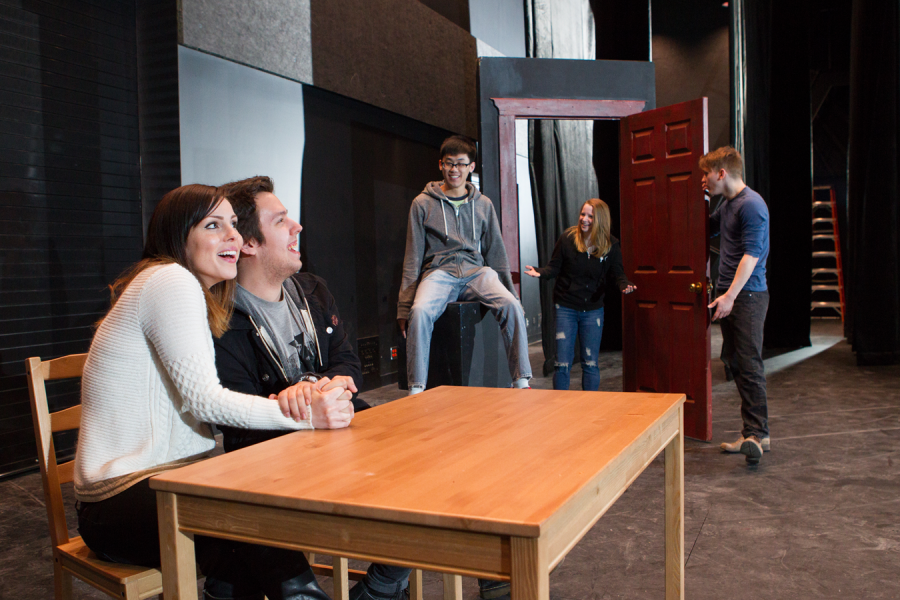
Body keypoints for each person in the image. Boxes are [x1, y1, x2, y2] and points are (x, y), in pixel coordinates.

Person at [74, 184, 353, 600]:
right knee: (255, 522)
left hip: (173, 481)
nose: (233, 238)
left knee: (255, 522)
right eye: (213, 226)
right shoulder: (170, 281)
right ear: (179, 236)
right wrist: (301, 415)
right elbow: (205, 400)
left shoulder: (191, 291)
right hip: (121, 498)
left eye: (234, 226)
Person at [213, 176, 412, 600]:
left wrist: (339, 384)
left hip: (336, 441)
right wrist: (304, 405)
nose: (297, 227)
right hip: (270, 466)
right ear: (249, 243)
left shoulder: (312, 290)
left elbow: (347, 361)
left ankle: (382, 586)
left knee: (423, 472)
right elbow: (237, 416)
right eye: (282, 220)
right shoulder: (221, 318)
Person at [397, 135, 532, 396]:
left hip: (475, 272)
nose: (454, 170)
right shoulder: (422, 204)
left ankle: (521, 381)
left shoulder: (483, 204)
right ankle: (416, 388)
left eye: (460, 164)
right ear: (440, 165)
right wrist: (404, 305)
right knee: (421, 311)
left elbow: (496, 251)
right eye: (449, 164)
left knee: (512, 307)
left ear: (471, 167)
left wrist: (511, 293)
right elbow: (412, 256)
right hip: (439, 272)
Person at [700, 146, 771, 465]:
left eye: (706, 174)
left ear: (722, 173)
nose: (704, 179)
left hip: (749, 295)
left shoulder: (751, 205)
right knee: (735, 361)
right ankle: (752, 433)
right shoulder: (728, 205)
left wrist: (730, 296)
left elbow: (751, 255)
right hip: (731, 293)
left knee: (749, 361)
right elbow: (706, 229)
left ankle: (757, 434)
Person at [524, 198, 635, 391]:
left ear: (600, 219)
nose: (584, 219)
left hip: (592, 310)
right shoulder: (568, 238)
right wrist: (540, 272)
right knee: (562, 364)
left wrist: (624, 285)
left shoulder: (611, 244)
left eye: (590, 216)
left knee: (590, 364)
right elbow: (553, 268)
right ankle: (561, 408)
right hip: (566, 306)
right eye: (583, 214)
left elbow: (618, 274)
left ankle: (588, 409)